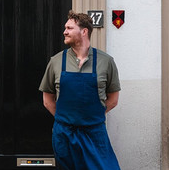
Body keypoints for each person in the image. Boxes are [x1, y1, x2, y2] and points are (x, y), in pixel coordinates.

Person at [39, 10, 121, 170]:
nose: (64, 32)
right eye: (65, 28)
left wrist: (91, 118)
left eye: (69, 28)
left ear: (84, 32)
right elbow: (47, 100)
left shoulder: (106, 62)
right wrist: (66, 120)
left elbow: (113, 99)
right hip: (65, 135)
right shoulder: (56, 61)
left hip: (94, 134)